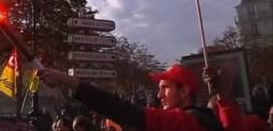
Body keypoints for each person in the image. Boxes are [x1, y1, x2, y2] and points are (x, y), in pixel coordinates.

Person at [39, 64, 223, 131]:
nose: (159, 96)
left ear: (184, 92)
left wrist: (66, 79)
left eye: (165, 88)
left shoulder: (186, 122)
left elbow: (122, 109)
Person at [203, 66, 269, 131]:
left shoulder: (252, 123)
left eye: (213, 113)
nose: (210, 118)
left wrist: (221, 93)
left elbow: (230, 125)